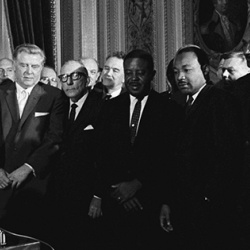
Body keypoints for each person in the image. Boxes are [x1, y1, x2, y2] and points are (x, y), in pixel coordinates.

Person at [89, 49, 183, 249]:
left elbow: (169, 160)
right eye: (129, 72)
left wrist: (137, 184)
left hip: (151, 204)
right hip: (114, 203)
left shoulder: (169, 110)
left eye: (140, 73)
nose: (133, 78)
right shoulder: (109, 108)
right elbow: (100, 155)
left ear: (152, 75)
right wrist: (119, 189)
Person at [159, 45, 245, 250]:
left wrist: (207, 199)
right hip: (184, 210)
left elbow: (228, 156)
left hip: (210, 212)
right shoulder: (180, 106)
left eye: (187, 70)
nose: (180, 76)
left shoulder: (220, 100)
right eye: (176, 71)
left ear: (205, 70)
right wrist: (169, 201)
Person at [0, 44, 65, 241]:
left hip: (33, 186)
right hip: (0, 182)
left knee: (29, 240)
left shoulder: (54, 96)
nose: (29, 71)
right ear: (14, 65)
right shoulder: (1, 91)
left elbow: (55, 138)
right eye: (23, 65)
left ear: (42, 66)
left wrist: (28, 167)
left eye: (35, 66)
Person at [52, 60, 104, 249]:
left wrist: (98, 196)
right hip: (59, 196)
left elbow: (105, 156)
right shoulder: (57, 105)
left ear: (87, 80)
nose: (70, 82)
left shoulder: (101, 107)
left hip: (87, 196)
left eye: (75, 76)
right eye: (64, 77)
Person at [219, 51, 250, 247]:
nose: (224, 75)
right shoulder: (225, 93)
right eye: (222, 70)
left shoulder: (240, 92)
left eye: (230, 70)